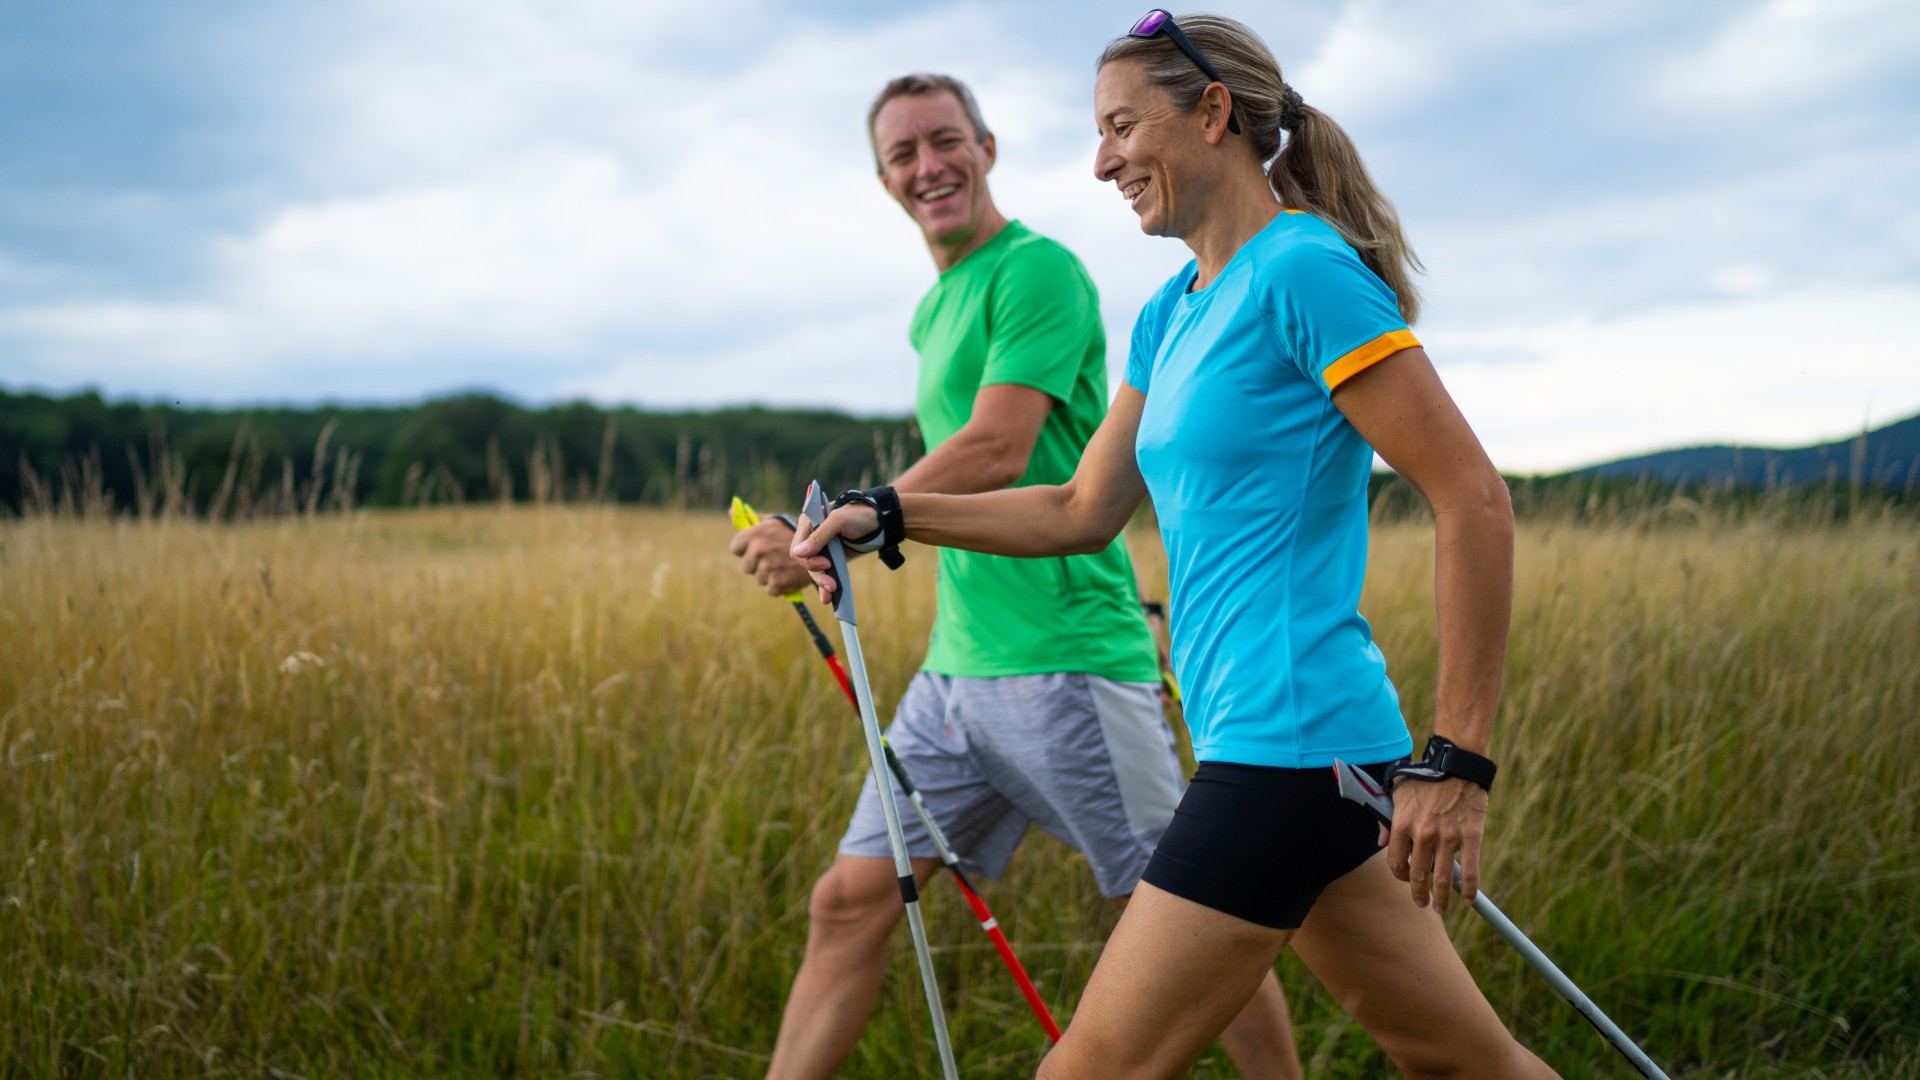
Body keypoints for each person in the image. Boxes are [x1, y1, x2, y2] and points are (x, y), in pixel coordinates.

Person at [793, 12, 1563, 1080]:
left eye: (1122, 126)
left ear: (1213, 113)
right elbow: (1078, 509)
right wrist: (889, 514)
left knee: (1087, 1068)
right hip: (1305, 756)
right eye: (1097, 133)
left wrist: (1459, 762)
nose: (1103, 159)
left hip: (1290, 759)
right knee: (1459, 1058)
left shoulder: (1302, 268)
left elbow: (1472, 497)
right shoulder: (1172, 310)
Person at [728, 72, 1304, 1079]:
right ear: (883, 179)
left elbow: (999, 446)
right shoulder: (936, 306)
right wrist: (842, 530)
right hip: (956, 680)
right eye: (903, 154)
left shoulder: (1036, 273)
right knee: (849, 901)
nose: (927, 166)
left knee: (1184, 918)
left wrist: (831, 530)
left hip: (1070, 666)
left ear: (987, 149)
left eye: (945, 141)